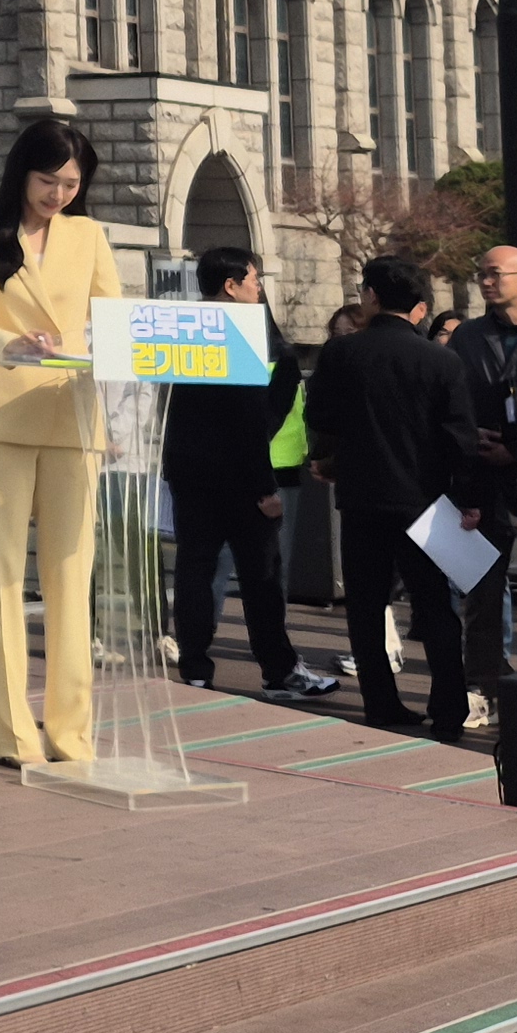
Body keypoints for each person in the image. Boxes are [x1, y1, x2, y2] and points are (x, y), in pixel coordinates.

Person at [0, 116, 124, 769]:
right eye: (49, 180)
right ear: (23, 173)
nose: (59, 194)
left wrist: (124, 396)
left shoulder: (90, 235)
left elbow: (112, 318)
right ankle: (10, 735)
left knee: (73, 581)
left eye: (72, 183)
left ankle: (71, 735)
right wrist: (8, 344)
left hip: (75, 417)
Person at [302, 257, 484, 738]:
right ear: (420, 308)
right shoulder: (442, 360)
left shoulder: (342, 354)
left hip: (361, 497)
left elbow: (318, 414)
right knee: (435, 608)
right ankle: (449, 709)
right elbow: (460, 437)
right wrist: (467, 498)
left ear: (372, 296)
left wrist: (334, 456)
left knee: (365, 606)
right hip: (426, 502)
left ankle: (382, 704)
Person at [162, 246, 335, 698]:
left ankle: (195, 667)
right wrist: (264, 487)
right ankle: (278, 670)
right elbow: (247, 422)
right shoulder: (243, 334)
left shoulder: (186, 332)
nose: (259, 288)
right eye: (254, 280)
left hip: (190, 475)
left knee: (195, 571)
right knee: (261, 579)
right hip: (242, 481)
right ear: (231, 285)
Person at [442, 256, 517, 701]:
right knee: (480, 592)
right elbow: (451, 399)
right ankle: (482, 687)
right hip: (478, 480)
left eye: (496, 273)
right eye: (482, 273)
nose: (486, 281)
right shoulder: (467, 335)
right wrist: (468, 435)